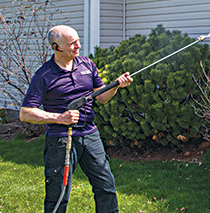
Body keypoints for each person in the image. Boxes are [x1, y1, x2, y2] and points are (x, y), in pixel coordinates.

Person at [20, 24, 132, 213]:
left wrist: (116, 85)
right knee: (58, 195)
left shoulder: (86, 65)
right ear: (56, 47)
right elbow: (25, 113)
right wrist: (59, 118)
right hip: (61, 139)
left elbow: (102, 98)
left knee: (106, 187)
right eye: (72, 43)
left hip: (90, 135)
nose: (78, 46)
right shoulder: (44, 75)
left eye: (78, 41)